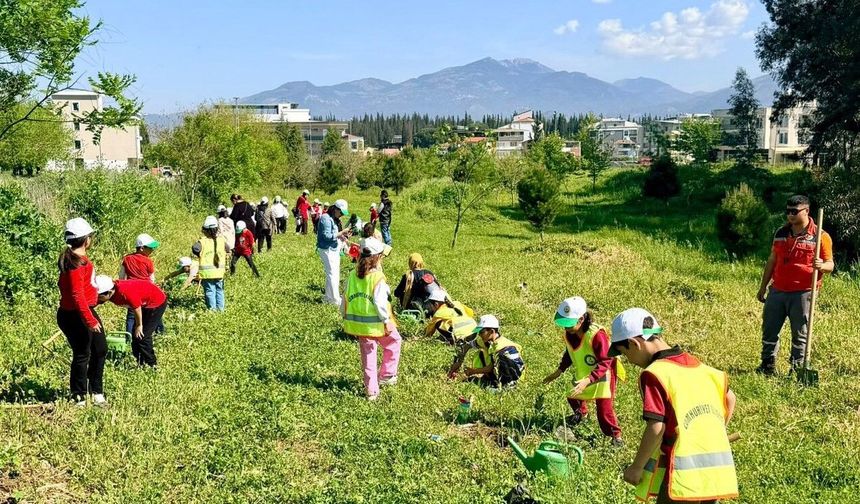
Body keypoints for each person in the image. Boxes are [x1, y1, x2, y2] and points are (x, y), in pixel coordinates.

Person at [609, 308, 738, 504]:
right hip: (715, 473)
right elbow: (730, 398)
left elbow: (656, 426)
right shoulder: (700, 367)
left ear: (634, 343)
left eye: (624, 353)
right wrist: (714, 435)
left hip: (684, 476)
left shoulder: (655, 374)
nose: (630, 361)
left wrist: (637, 467)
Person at [756, 194, 834, 375]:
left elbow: (830, 265)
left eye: (794, 211)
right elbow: (772, 260)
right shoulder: (781, 233)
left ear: (806, 211)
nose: (790, 215)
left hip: (803, 293)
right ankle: (767, 365)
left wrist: (821, 266)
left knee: (800, 333)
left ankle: (797, 369)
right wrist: (763, 286)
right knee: (769, 329)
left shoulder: (820, 236)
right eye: (788, 211)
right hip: (777, 290)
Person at [542, 297, 623, 446]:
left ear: (581, 320)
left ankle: (616, 436)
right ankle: (581, 414)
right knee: (572, 395)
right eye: (563, 323)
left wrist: (588, 380)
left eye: (569, 324)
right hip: (585, 371)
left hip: (604, 372)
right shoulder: (570, 334)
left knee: (604, 408)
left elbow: (606, 360)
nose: (565, 327)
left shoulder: (596, 335)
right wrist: (559, 371)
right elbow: (569, 352)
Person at [342, 237, 401, 401]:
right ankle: (387, 375)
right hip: (378, 324)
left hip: (359, 326)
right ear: (377, 258)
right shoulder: (378, 278)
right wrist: (386, 321)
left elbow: (345, 297)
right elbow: (380, 303)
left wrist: (344, 315)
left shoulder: (352, 275)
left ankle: (371, 391)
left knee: (368, 356)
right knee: (394, 341)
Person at [57, 217, 107, 407]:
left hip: (84, 310)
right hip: (75, 314)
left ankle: (96, 391)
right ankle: (79, 396)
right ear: (86, 239)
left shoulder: (77, 259)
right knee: (82, 353)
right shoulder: (75, 264)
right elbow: (77, 294)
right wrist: (89, 320)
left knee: (100, 349)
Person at [95, 276, 167, 368]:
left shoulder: (125, 293)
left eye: (99, 296)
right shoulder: (108, 291)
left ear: (109, 292)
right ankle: (140, 362)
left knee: (143, 336)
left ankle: (151, 365)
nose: (97, 298)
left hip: (156, 302)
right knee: (135, 335)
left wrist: (139, 325)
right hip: (144, 302)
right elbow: (94, 302)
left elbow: (136, 308)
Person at [448, 315, 524, 388]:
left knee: (501, 359)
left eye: (481, 332)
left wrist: (472, 371)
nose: (479, 335)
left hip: (513, 379)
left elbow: (491, 367)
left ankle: (503, 387)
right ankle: (491, 380)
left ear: (492, 331)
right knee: (480, 354)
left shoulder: (503, 347)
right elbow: (467, 346)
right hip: (495, 374)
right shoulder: (486, 341)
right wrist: (459, 362)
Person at [118, 233, 160, 335]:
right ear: (141, 248)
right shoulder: (148, 261)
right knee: (151, 313)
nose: (152, 250)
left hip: (131, 291)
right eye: (150, 248)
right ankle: (155, 333)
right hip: (146, 291)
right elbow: (152, 279)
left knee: (131, 316)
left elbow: (121, 276)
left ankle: (128, 337)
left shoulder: (127, 259)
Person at [317, 199, 352, 305]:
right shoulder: (325, 218)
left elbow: (335, 234)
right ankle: (335, 300)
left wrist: (344, 236)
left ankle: (328, 297)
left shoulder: (334, 219)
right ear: (335, 209)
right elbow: (327, 236)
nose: (342, 215)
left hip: (334, 249)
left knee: (334, 274)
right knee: (332, 274)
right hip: (326, 249)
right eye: (341, 212)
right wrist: (341, 232)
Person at [192, 216, 229, 311]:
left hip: (207, 273)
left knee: (210, 291)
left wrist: (199, 254)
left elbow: (195, 249)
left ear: (205, 230)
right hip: (219, 271)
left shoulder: (202, 241)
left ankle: (212, 310)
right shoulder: (221, 240)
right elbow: (228, 249)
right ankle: (220, 310)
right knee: (220, 290)